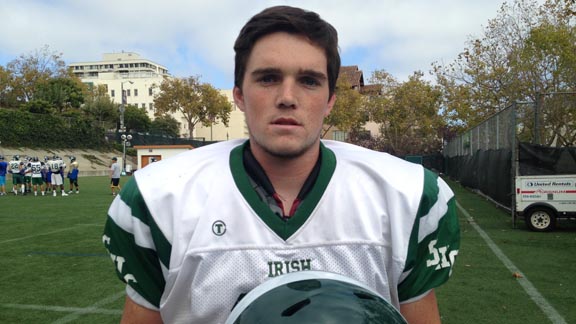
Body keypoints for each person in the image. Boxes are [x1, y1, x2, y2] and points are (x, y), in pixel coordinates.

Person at [103, 6, 460, 324]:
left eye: (308, 81)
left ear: (331, 100)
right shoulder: (158, 198)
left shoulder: (407, 195)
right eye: (268, 78)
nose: (287, 98)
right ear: (239, 95)